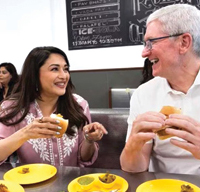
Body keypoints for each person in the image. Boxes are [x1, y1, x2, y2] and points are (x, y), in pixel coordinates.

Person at [120, 4, 200, 175]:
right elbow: (132, 168)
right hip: (161, 190)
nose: (144, 53)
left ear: (184, 42)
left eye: (151, 43)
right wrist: (134, 144)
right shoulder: (144, 94)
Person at [0, 46, 107, 167]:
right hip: (29, 183)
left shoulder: (79, 104)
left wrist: (89, 139)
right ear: (34, 74)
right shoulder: (12, 107)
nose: (64, 76)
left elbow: (84, 158)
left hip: (71, 182)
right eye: (55, 69)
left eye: (65, 69)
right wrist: (25, 133)